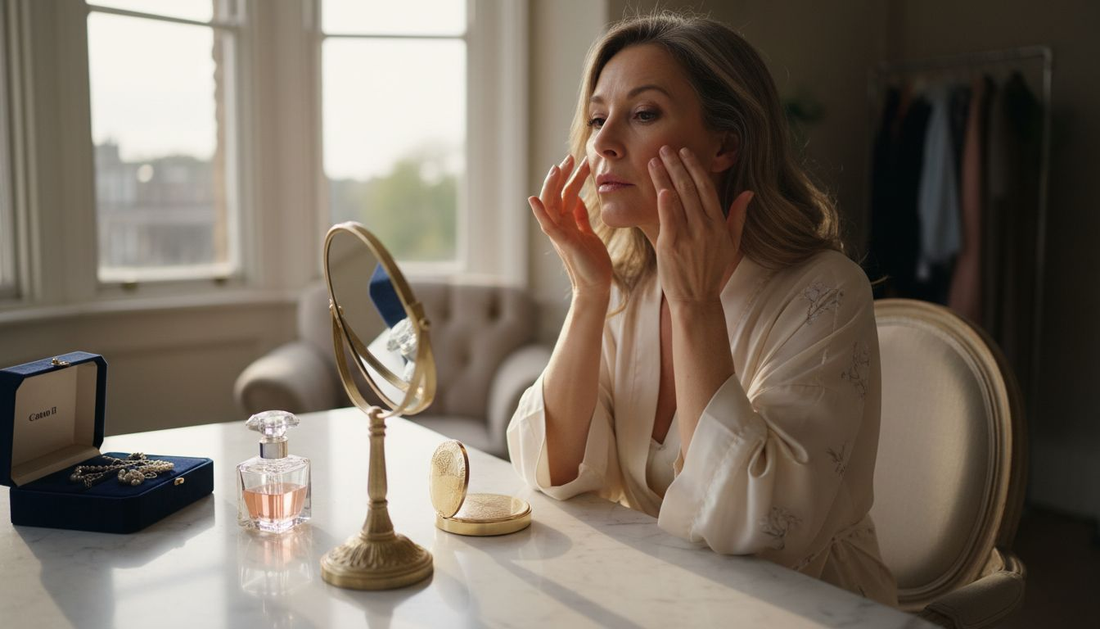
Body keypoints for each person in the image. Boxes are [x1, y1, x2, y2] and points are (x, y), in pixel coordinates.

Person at [506, 11, 898, 606]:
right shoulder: (629, 289)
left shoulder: (825, 292)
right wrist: (588, 295)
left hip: (808, 607)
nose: (602, 143)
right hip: (664, 598)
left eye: (643, 114)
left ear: (724, 145)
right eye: (597, 118)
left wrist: (694, 305)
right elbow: (552, 469)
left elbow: (759, 529)